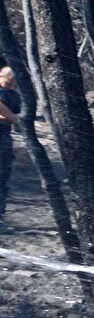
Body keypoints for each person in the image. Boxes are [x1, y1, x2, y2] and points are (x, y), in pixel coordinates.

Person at [0, 67, 21, 224]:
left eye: (12, 82)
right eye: (7, 80)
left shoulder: (13, 95)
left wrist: (12, 118)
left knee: (2, 178)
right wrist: (12, 118)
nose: (9, 84)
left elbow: (15, 114)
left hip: (4, 138)